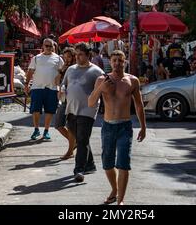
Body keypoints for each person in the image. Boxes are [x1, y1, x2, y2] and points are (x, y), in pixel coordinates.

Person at [88, 50, 146, 206]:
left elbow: (139, 105)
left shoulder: (132, 80)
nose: (117, 63)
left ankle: (121, 200)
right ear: (110, 62)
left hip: (125, 127)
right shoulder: (101, 79)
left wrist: (143, 127)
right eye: (114, 60)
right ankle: (114, 190)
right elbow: (91, 102)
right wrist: (101, 88)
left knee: (123, 163)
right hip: (107, 127)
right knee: (107, 163)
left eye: (120, 61)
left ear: (125, 62)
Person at [61, 42, 104, 182]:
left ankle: (79, 170)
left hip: (88, 110)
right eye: (76, 54)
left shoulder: (96, 71)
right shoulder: (71, 69)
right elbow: (63, 84)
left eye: (80, 55)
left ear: (88, 55)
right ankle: (90, 164)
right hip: (71, 108)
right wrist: (61, 90)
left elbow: (104, 89)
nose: (77, 57)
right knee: (80, 139)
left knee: (82, 138)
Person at [25, 38, 63, 141]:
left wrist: (59, 77)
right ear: (43, 46)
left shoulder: (58, 59)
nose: (48, 48)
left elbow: (62, 71)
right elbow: (30, 71)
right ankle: (36, 129)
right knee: (35, 110)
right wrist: (26, 84)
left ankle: (46, 131)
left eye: (50, 46)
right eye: (46, 46)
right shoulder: (36, 58)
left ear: (53, 47)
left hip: (52, 88)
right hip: (37, 87)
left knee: (49, 110)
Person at [55, 47, 76, 159]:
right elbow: (56, 81)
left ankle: (70, 150)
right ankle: (75, 143)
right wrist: (61, 70)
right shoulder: (65, 68)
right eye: (65, 57)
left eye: (68, 56)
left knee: (70, 125)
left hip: (72, 100)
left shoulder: (76, 68)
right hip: (64, 99)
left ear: (73, 57)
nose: (66, 59)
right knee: (58, 124)